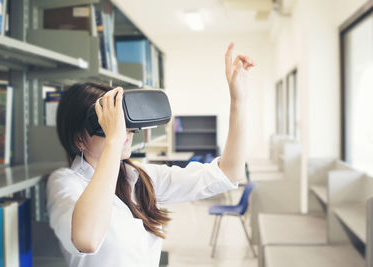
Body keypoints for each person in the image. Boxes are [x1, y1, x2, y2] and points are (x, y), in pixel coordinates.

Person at [46, 43, 254, 267]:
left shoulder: (140, 178)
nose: (124, 132)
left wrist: (237, 102)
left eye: (125, 123)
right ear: (79, 139)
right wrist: (114, 142)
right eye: (111, 125)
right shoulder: (64, 183)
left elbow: (227, 174)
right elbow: (87, 240)